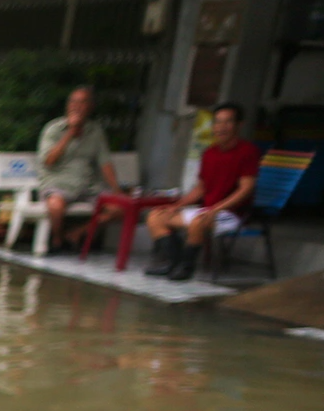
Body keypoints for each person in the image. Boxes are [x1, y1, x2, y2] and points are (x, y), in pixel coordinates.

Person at [144, 102, 260, 281]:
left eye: (227, 122)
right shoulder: (209, 153)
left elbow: (246, 188)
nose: (221, 127)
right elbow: (201, 188)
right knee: (156, 216)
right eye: (218, 122)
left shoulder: (247, 151)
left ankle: (186, 267)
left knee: (198, 221)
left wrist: (217, 209)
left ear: (239, 125)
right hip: (207, 210)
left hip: (232, 213)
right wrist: (178, 205)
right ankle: (172, 263)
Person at [36, 86, 121, 253]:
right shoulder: (53, 129)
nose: (77, 106)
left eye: (82, 102)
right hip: (59, 183)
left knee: (120, 209)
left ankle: (77, 233)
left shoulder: (95, 131)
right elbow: (48, 161)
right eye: (73, 102)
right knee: (55, 205)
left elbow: (105, 163)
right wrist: (69, 134)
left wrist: (117, 190)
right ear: (68, 105)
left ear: (91, 107)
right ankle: (58, 239)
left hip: (88, 186)